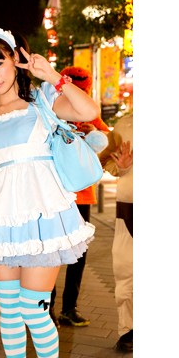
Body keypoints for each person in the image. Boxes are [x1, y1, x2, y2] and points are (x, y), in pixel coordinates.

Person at [0, 26, 99, 358]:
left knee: (33, 309)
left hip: (43, 217)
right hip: (5, 220)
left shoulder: (42, 100)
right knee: (8, 312)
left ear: (15, 59)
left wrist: (52, 75)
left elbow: (87, 111)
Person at [48, 66, 111, 329]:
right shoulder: (51, 106)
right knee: (50, 251)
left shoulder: (88, 112)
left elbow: (107, 142)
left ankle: (69, 308)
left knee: (78, 254)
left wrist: (92, 133)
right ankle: (46, 309)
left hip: (82, 195)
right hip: (54, 192)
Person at [99, 113, 133, 352]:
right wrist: (121, 167)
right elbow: (106, 159)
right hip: (129, 207)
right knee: (125, 271)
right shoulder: (125, 124)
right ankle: (128, 328)